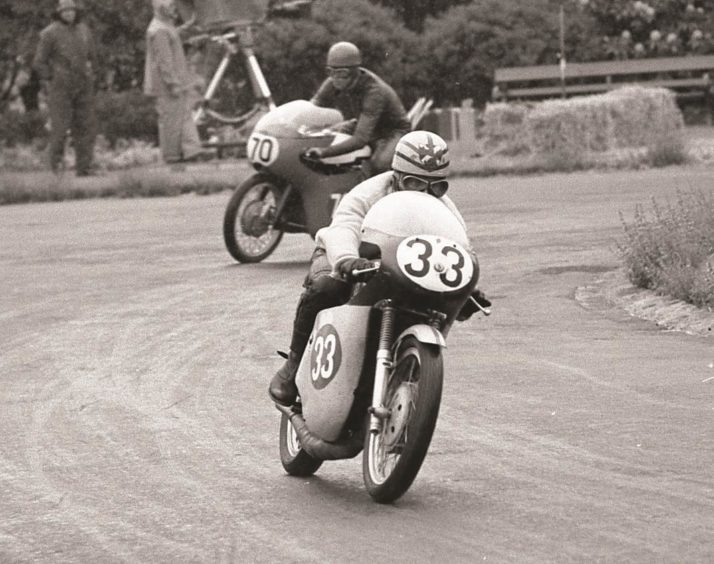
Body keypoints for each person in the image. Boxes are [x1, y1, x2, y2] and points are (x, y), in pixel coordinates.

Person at [269, 130, 490, 406]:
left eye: (436, 186)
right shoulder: (368, 192)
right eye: (414, 183)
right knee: (327, 285)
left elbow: (459, 247)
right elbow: (345, 225)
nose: (425, 193)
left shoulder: (446, 208)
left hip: (398, 267)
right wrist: (346, 259)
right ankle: (293, 365)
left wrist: (465, 288)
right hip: (348, 254)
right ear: (396, 176)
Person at [305, 41, 411, 177]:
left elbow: (360, 140)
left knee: (379, 164)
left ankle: (386, 195)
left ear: (355, 72)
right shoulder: (332, 81)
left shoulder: (373, 92)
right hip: (363, 122)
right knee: (330, 134)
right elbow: (312, 106)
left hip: (392, 131)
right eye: (330, 72)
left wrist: (323, 152)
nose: (336, 79)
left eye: (341, 73)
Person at [33, 0, 98, 176]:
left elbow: (92, 56)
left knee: (85, 126)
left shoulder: (84, 30)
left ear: (77, 12)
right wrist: (52, 78)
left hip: (83, 83)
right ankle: (56, 169)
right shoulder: (49, 33)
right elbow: (39, 62)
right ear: (59, 13)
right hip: (60, 85)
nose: (69, 14)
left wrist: (92, 73)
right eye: (65, 11)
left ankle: (85, 167)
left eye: (72, 10)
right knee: (59, 128)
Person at [144, 0, 211, 164]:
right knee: (171, 120)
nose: (173, 9)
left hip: (176, 82)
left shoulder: (164, 26)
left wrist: (188, 27)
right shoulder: (159, 30)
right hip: (167, 85)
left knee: (183, 116)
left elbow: (174, 34)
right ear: (161, 8)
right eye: (170, 6)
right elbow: (164, 62)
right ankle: (172, 156)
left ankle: (192, 151)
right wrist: (172, 83)